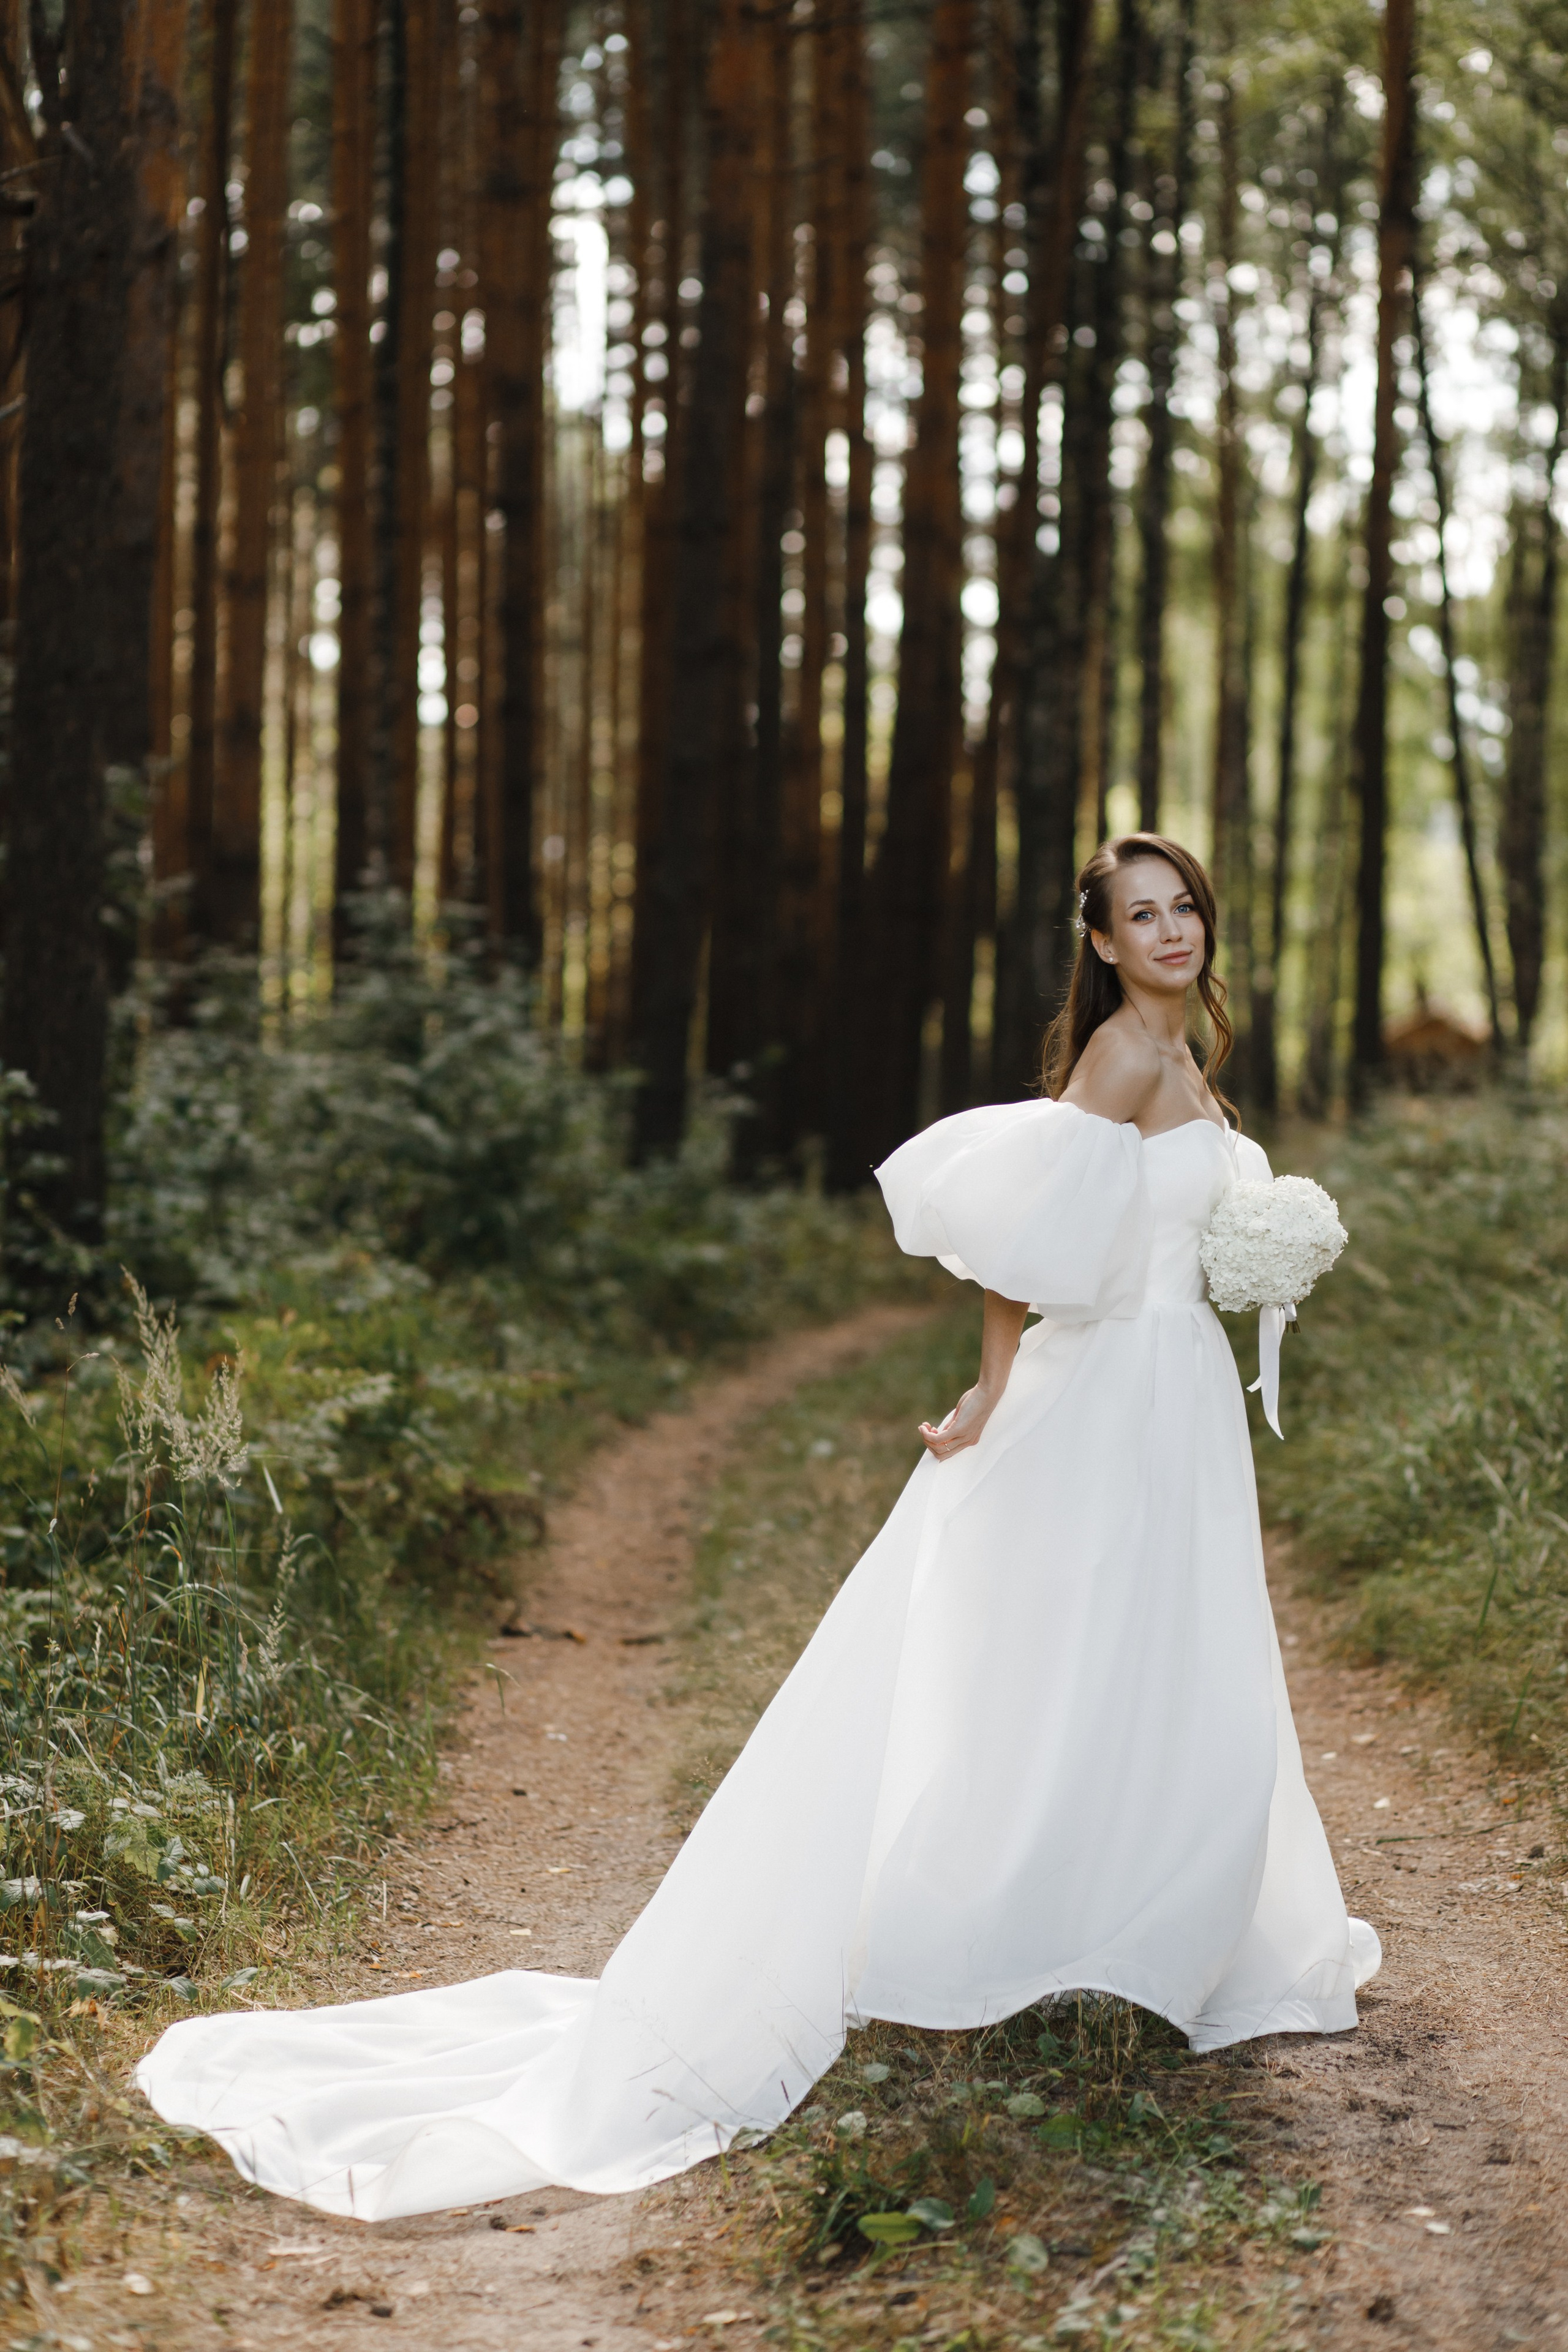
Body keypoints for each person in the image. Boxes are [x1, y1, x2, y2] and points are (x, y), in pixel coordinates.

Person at [136, 832, 1379, 2221]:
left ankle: (1153, 1924)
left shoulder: (1192, 1069)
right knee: (1067, 1655)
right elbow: (1021, 1242)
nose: (1168, 932)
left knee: (1167, 1654)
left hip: (1179, 1401)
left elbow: (1148, 1229)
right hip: (1111, 1400)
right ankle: (1019, 1925)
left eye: (1183, 909)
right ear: (1096, 945)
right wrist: (989, 1385)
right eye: (1138, 916)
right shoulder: (1122, 1065)